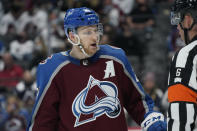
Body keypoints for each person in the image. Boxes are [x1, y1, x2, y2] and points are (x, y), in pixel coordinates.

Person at [27, 7, 166, 131]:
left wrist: (149, 117)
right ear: (72, 36)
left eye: (96, 30)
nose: (95, 37)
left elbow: (136, 100)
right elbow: (43, 120)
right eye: (87, 32)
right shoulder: (53, 69)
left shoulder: (115, 58)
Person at [168, 0, 197, 130]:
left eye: (177, 19)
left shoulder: (186, 55)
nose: (177, 27)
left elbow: (181, 114)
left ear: (188, 20)